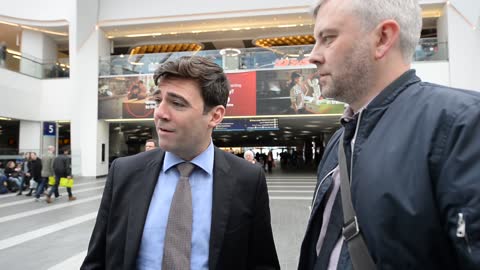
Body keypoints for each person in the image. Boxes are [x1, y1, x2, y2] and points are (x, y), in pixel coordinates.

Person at [298, 0, 480, 269]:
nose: (313, 55)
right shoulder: (339, 139)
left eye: (328, 38)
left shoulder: (461, 124)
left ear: (383, 38)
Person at [81, 56, 280, 270]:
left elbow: (262, 263)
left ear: (215, 116)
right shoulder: (124, 172)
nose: (160, 113)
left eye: (177, 103)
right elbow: (96, 261)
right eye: (158, 101)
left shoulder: (248, 180)